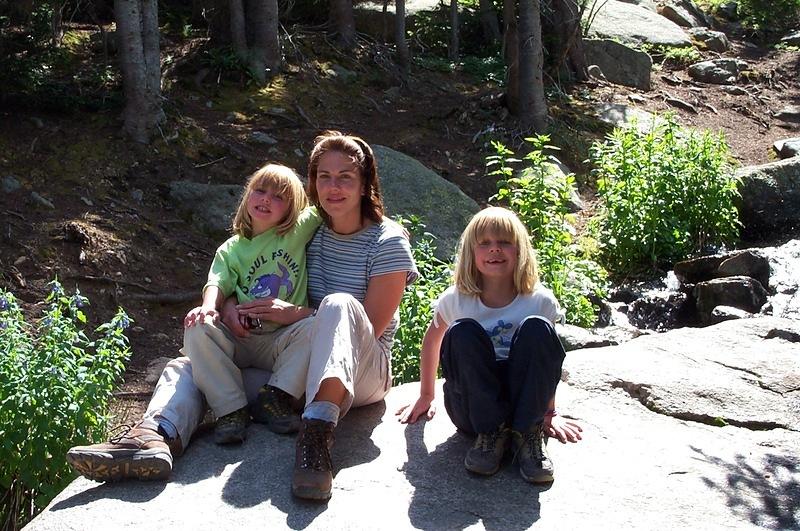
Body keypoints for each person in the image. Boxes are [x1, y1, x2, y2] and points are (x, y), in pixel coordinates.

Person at [67, 132, 418, 502]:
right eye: (324, 176)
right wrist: (230, 305)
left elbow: (371, 326)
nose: (334, 187)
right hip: (295, 367)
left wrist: (295, 312)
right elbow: (247, 265)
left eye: (346, 177)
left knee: (339, 304)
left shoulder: (387, 241)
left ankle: (316, 435)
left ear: (366, 183)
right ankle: (156, 436)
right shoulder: (309, 230)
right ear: (312, 182)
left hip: (362, 372)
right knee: (187, 366)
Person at [396, 207, 581, 483]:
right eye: (485, 243)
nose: (495, 249)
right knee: (462, 332)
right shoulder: (455, 300)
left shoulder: (539, 301)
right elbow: (432, 343)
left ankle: (527, 435)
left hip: (523, 403)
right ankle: (490, 435)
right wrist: (426, 395)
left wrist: (549, 412)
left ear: (520, 251)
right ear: (471, 252)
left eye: (505, 242)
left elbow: (546, 364)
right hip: (472, 408)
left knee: (538, 329)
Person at [182, 163, 321, 445]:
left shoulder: (297, 230)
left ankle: (277, 396)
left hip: (282, 338)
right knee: (197, 327)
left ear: (292, 208)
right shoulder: (231, 248)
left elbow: (334, 202)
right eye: (260, 191)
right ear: (247, 195)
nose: (266, 199)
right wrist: (210, 306)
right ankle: (231, 410)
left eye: (279, 196)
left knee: (317, 326)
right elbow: (217, 282)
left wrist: (386, 225)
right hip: (240, 338)